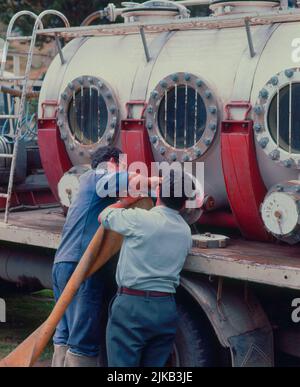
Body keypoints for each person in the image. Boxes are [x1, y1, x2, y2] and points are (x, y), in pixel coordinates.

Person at [100, 169, 193, 367]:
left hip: (132, 306)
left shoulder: (140, 219)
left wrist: (125, 201)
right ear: (185, 203)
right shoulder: (185, 232)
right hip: (166, 308)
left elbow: (105, 216)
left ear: (158, 193)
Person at [52, 146, 129, 368]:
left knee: (65, 332)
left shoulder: (87, 181)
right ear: (113, 162)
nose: (125, 168)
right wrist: (162, 184)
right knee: (82, 340)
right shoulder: (99, 177)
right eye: (124, 164)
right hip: (82, 266)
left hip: (64, 263)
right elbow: (129, 183)